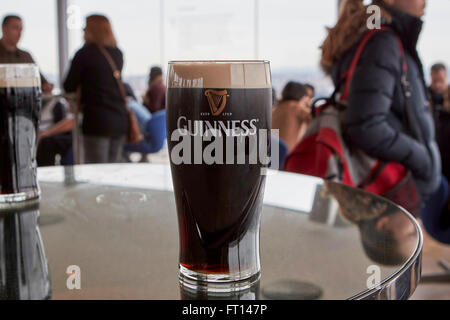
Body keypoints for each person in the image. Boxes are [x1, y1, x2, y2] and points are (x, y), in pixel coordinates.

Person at [320, 0, 449, 243]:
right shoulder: (383, 41)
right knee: (396, 256)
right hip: (398, 184)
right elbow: (365, 125)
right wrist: (422, 158)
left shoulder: (380, 37)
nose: (425, 2)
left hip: (396, 184)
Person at [64, 14, 128, 164]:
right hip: (119, 119)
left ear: (93, 30)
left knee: (98, 172)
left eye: (86, 27)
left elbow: (68, 85)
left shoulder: (84, 54)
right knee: (114, 170)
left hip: (97, 121)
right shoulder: (117, 53)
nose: (83, 30)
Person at [0, 15, 53, 93]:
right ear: (4, 28)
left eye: (21, 29)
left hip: (24, 101)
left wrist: (46, 86)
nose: (19, 33)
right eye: (15, 28)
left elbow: (42, 82)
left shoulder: (25, 56)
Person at [272, 81, 311, 152]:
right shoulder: (298, 109)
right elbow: (317, 120)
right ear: (303, 97)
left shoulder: (275, 109)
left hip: (273, 155)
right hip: (289, 155)